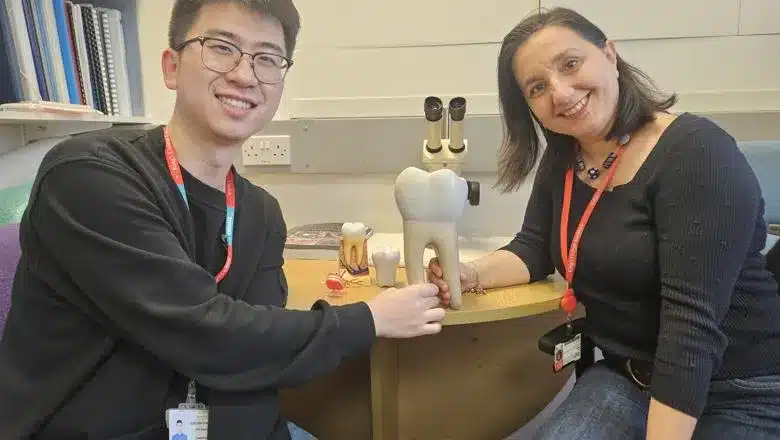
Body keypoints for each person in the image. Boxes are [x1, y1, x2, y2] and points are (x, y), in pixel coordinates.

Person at [0, 0, 447, 439]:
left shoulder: (261, 213)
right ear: (171, 66)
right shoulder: (88, 175)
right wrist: (369, 319)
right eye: (221, 47)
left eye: (267, 59)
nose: (244, 74)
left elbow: (253, 359)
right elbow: (205, 334)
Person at [428, 7, 780, 440]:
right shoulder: (565, 159)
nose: (560, 93)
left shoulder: (696, 153)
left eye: (571, 64)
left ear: (610, 55)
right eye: (537, 87)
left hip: (737, 388)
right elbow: (534, 247)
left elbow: (690, 331)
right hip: (627, 379)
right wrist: (470, 273)